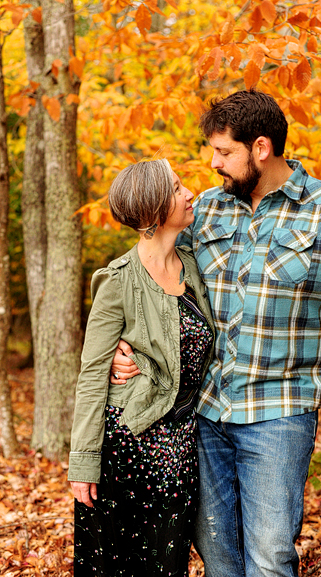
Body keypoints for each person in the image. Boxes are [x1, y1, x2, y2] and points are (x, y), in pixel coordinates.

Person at [110, 89, 321, 577]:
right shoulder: (210, 210)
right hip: (205, 411)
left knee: (270, 556)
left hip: (279, 414)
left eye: (224, 152)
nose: (213, 163)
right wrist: (123, 341)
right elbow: (157, 276)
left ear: (260, 148)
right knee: (218, 557)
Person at [68, 159, 216, 576]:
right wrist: (83, 463)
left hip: (181, 445)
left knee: (166, 564)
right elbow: (93, 375)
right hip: (127, 445)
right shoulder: (117, 280)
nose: (189, 193)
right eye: (176, 189)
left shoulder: (196, 265)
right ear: (152, 211)